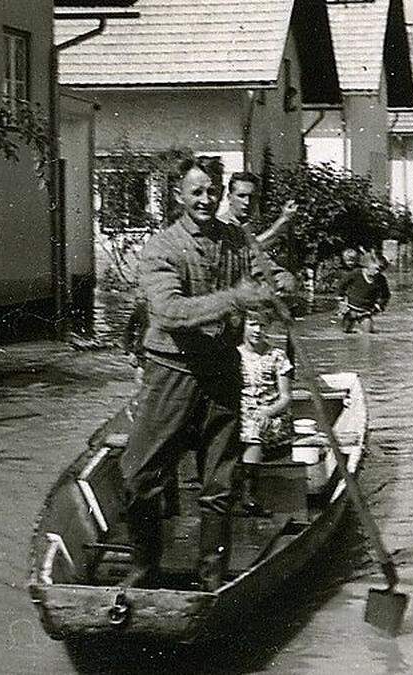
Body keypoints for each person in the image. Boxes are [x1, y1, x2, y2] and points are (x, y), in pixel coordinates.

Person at [121, 157, 292, 591]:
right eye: (195, 191)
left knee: (219, 482)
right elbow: (170, 312)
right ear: (178, 196)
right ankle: (144, 572)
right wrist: (237, 298)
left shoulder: (237, 240)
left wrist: (282, 284)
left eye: (211, 191)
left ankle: (212, 584)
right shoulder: (162, 248)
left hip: (222, 373)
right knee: (140, 475)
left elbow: (265, 274)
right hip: (171, 370)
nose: (205, 198)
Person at [236, 309, 295, 514]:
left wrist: (266, 412)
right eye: (252, 324)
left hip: (271, 414)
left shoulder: (277, 356)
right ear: (243, 326)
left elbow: (286, 398)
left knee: (254, 426)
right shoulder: (235, 355)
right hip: (242, 413)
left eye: (262, 325)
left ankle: (249, 493)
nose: (257, 330)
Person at [220, 171, 298, 250]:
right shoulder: (221, 225)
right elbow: (251, 249)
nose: (247, 202)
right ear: (229, 198)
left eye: (252, 197)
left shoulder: (247, 225)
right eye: (241, 196)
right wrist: (281, 221)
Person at [338, 256, 391, 333]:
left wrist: (379, 306)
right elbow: (341, 286)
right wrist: (341, 301)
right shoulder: (356, 274)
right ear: (368, 266)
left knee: (368, 334)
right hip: (350, 309)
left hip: (366, 311)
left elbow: (386, 295)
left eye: (381, 271)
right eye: (376, 269)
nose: (377, 272)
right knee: (345, 332)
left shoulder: (381, 280)